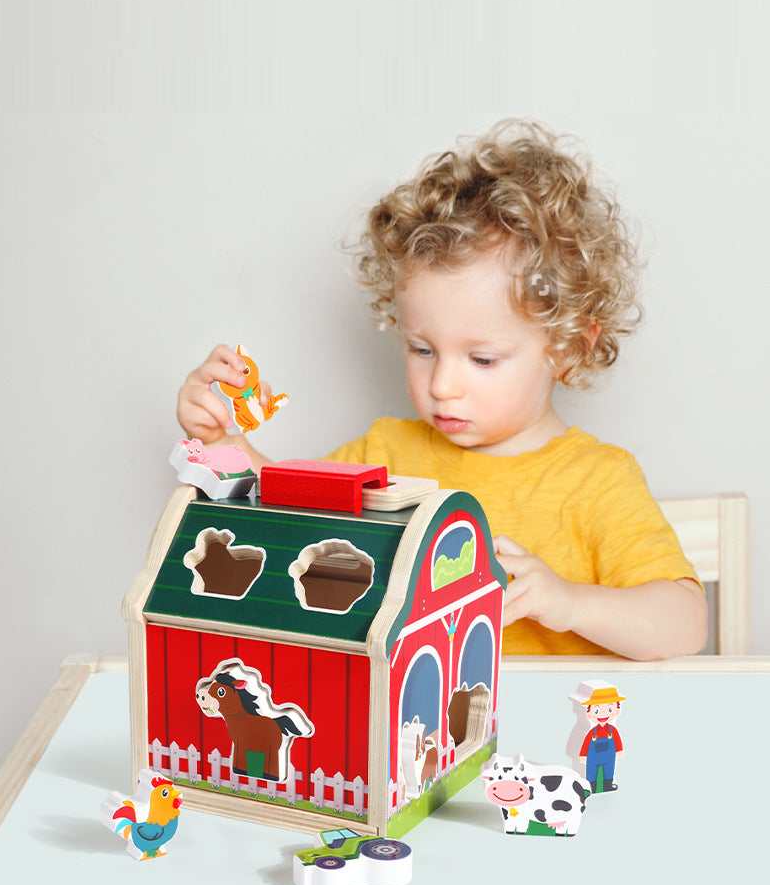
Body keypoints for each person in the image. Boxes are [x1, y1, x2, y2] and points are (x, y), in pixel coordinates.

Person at [177, 120, 708, 660]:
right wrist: (223, 444)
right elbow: (277, 518)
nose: (442, 385)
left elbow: (685, 626)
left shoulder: (597, 481)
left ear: (567, 349)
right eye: (422, 349)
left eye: (482, 358)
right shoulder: (381, 455)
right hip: (408, 736)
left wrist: (568, 602)